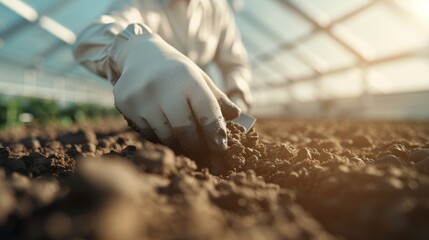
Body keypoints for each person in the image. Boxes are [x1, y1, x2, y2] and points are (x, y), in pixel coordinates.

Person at [72, 0, 252, 158]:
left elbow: (235, 62)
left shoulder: (217, 7)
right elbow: (92, 35)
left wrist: (237, 92)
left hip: (206, 102)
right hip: (157, 110)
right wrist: (134, 49)